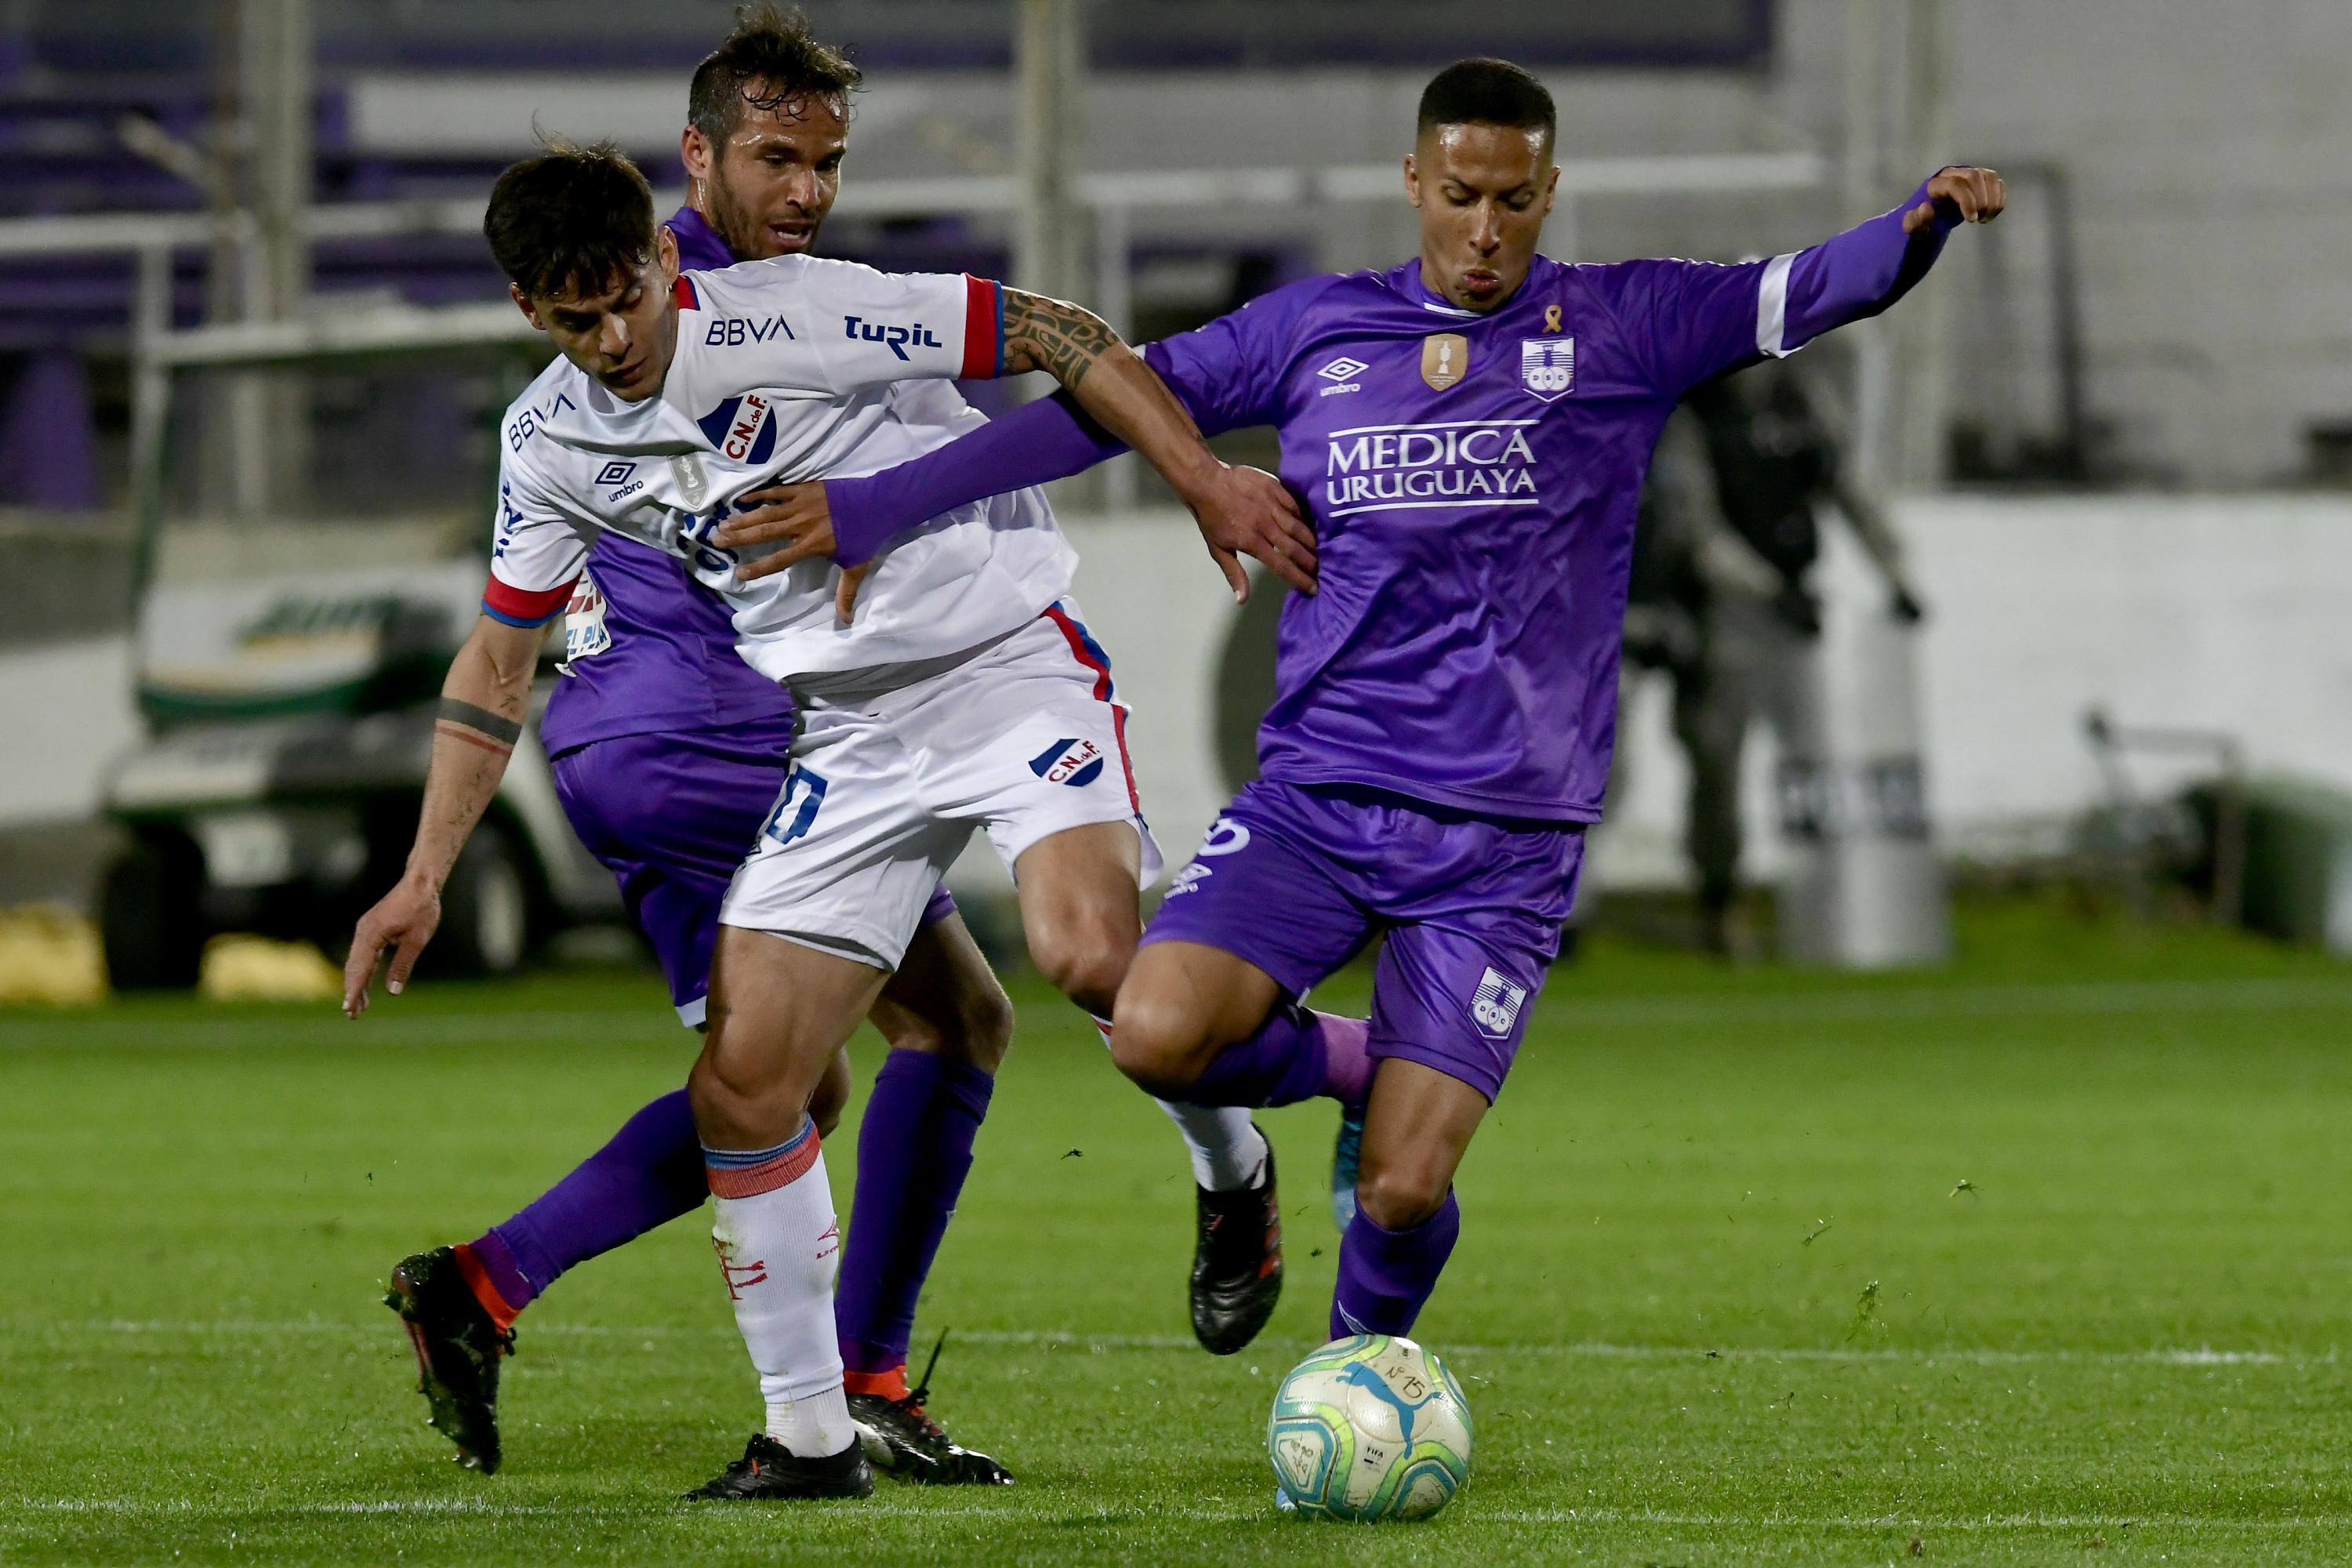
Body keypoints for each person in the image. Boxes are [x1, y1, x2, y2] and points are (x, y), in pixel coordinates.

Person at [713, 57, 2002, 1360]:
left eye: (1513, 202)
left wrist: (1920, 224)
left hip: (1505, 839)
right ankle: (1361, 1080)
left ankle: (1347, 1375)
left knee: (1399, 1190)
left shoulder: (1624, 323)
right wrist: (879, 503)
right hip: (1317, 805)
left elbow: (1812, 286)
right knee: (1152, 1029)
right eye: (1459, 196)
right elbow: (1105, 410)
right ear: (1414, 182)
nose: (1485, 230)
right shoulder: (1317, 330)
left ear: (1550, 192)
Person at [345, 121, 1335, 1498]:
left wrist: (1204, 478)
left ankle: (1254, 1150)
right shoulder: (549, 437)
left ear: (661, 256)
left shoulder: (791, 309)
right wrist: (423, 873)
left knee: (1081, 964)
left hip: (996, 674)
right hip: (831, 734)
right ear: (528, 309)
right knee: (766, 1081)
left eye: (625, 301)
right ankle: (814, 1432)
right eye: (575, 322)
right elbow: (500, 655)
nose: (612, 340)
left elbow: (1056, 332)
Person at [368, 11, 1016, 1488]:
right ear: (698, 161)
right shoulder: (718, 306)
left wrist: (426, 871)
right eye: (775, 159)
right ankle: (853, 1395)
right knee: (948, 1028)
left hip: (620, 750)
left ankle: (482, 1286)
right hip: (728, 736)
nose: (805, 191)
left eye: (826, 162)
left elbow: (506, 640)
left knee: (785, 1087)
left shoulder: (647, 316)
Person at [1668, 359, 1925, 955]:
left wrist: (1896, 574)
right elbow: (1697, 529)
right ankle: (1721, 901)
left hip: (1798, 604)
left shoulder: (1799, 397)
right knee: (1718, 762)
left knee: (1827, 757)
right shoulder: (1694, 410)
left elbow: (1847, 485)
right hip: (1725, 613)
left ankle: (1841, 900)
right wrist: (1767, 589)